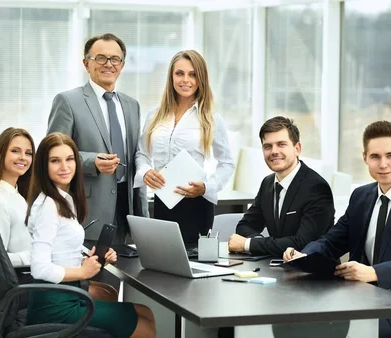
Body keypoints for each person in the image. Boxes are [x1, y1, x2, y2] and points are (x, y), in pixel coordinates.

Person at [284, 121, 391, 338]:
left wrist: (373, 272)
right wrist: (305, 254)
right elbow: (333, 240)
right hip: (363, 300)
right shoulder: (361, 196)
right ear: (365, 158)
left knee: (328, 330)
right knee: (300, 320)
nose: (383, 164)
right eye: (375, 157)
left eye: (390, 155)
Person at [25, 132, 156, 337]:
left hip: (67, 295)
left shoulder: (63, 199)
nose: (64, 167)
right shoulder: (49, 206)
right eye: (55, 161)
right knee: (144, 324)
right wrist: (84, 272)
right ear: (43, 166)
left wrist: (93, 260)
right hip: (56, 306)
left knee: (145, 312)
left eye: (69, 159)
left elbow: (60, 252)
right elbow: (40, 268)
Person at [47, 33, 147, 244]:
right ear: (86, 63)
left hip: (127, 211)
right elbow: (52, 155)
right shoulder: (68, 101)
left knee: (126, 273)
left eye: (115, 59)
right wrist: (93, 162)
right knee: (92, 275)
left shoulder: (132, 105)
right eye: (100, 58)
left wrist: (142, 212)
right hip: (88, 210)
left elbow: (137, 156)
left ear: (122, 64)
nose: (108, 64)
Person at [135, 50, 235, 245]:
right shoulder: (154, 115)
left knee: (194, 264)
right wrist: (145, 171)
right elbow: (142, 154)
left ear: (201, 79)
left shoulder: (211, 118)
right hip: (163, 200)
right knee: (163, 260)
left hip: (196, 202)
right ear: (171, 77)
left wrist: (207, 187)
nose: (185, 80)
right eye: (179, 73)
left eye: (193, 74)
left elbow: (227, 163)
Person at [227, 116, 335, 257]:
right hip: (276, 268)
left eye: (281, 144)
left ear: (297, 148)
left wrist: (248, 244)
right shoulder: (268, 183)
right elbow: (244, 226)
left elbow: (302, 243)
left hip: (314, 274)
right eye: (268, 146)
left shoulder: (316, 187)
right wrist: (259, 242)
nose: (274, 151)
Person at [0, 127, 34, 283]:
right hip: (26, 281)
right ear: (1, 154)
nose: (23, 158)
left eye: (28, 153)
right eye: (15, 151)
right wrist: (36, 256)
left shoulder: (17, 195)